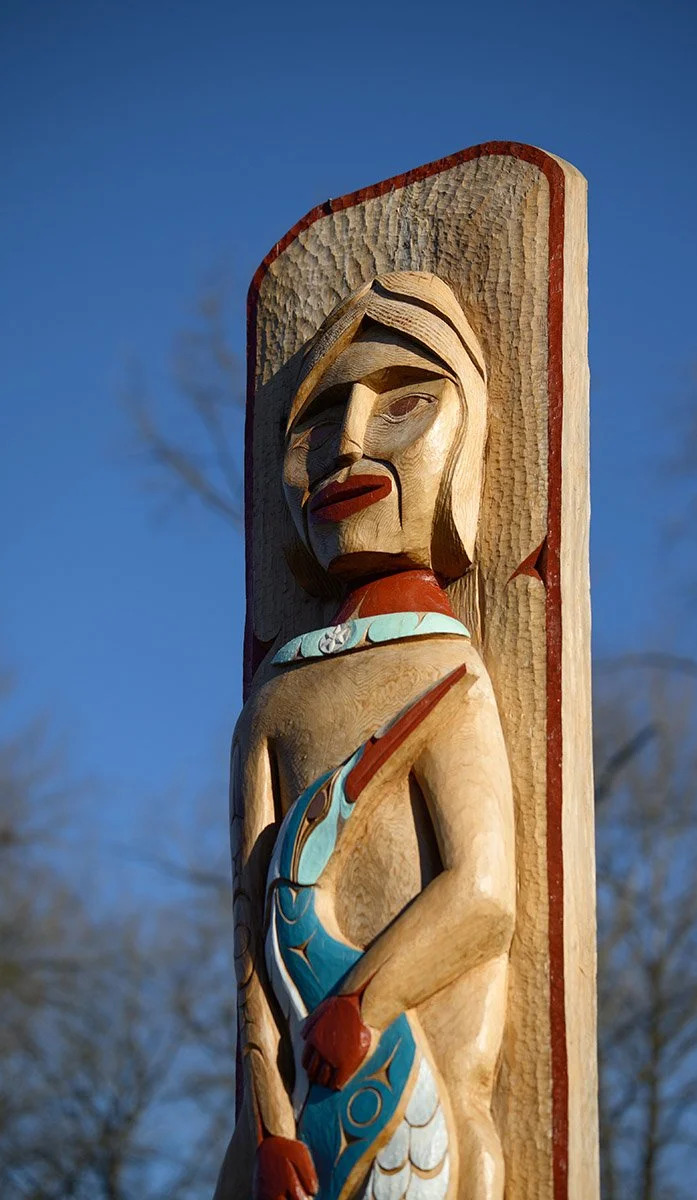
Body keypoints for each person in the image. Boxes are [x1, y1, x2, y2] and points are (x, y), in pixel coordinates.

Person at [214, 272, 515, 1200]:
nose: (344, 446)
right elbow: (250, 928)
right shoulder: (273, 696)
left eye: (405, 404)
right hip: (290, 1124)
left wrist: (360, 1000)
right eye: (316, 420)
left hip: (411, 1096)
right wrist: (266, 1117)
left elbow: (483, 894)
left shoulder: (446, 668)